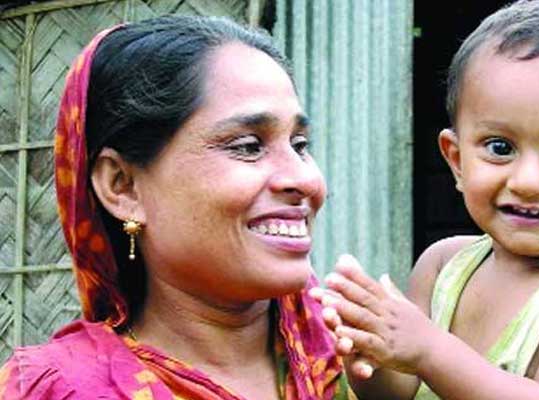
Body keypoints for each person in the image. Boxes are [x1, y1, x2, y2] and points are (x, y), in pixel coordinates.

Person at [313, 0, 539, 399]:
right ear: (457, 161)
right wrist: (367, 346)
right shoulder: (443, 266)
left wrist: (428, 348)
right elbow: (397, 394)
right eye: (500, 147)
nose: (528, 182)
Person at [0, 15, 350, 400]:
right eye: (248, 147)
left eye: (300, 145)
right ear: (123, 187)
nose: (305, 179)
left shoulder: (358, 360)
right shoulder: (58, 390)